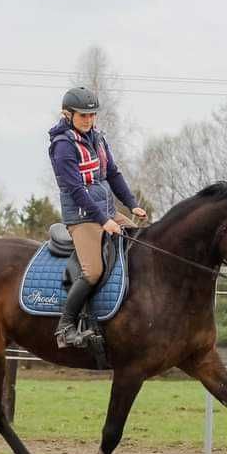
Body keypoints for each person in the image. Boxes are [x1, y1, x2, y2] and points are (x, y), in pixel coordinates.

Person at [48, 86, 147, 348]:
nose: (89, 120)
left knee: (140, 243)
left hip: (107, 211)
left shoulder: (98, 139)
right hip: (82, 218)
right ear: (67, 115)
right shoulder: (63, 147)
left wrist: (131, 204)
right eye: (83, 116)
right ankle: (66, 326)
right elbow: (76, 190)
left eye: (92, 115)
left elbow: (112, 174)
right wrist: (104, 220)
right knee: (93, 271)